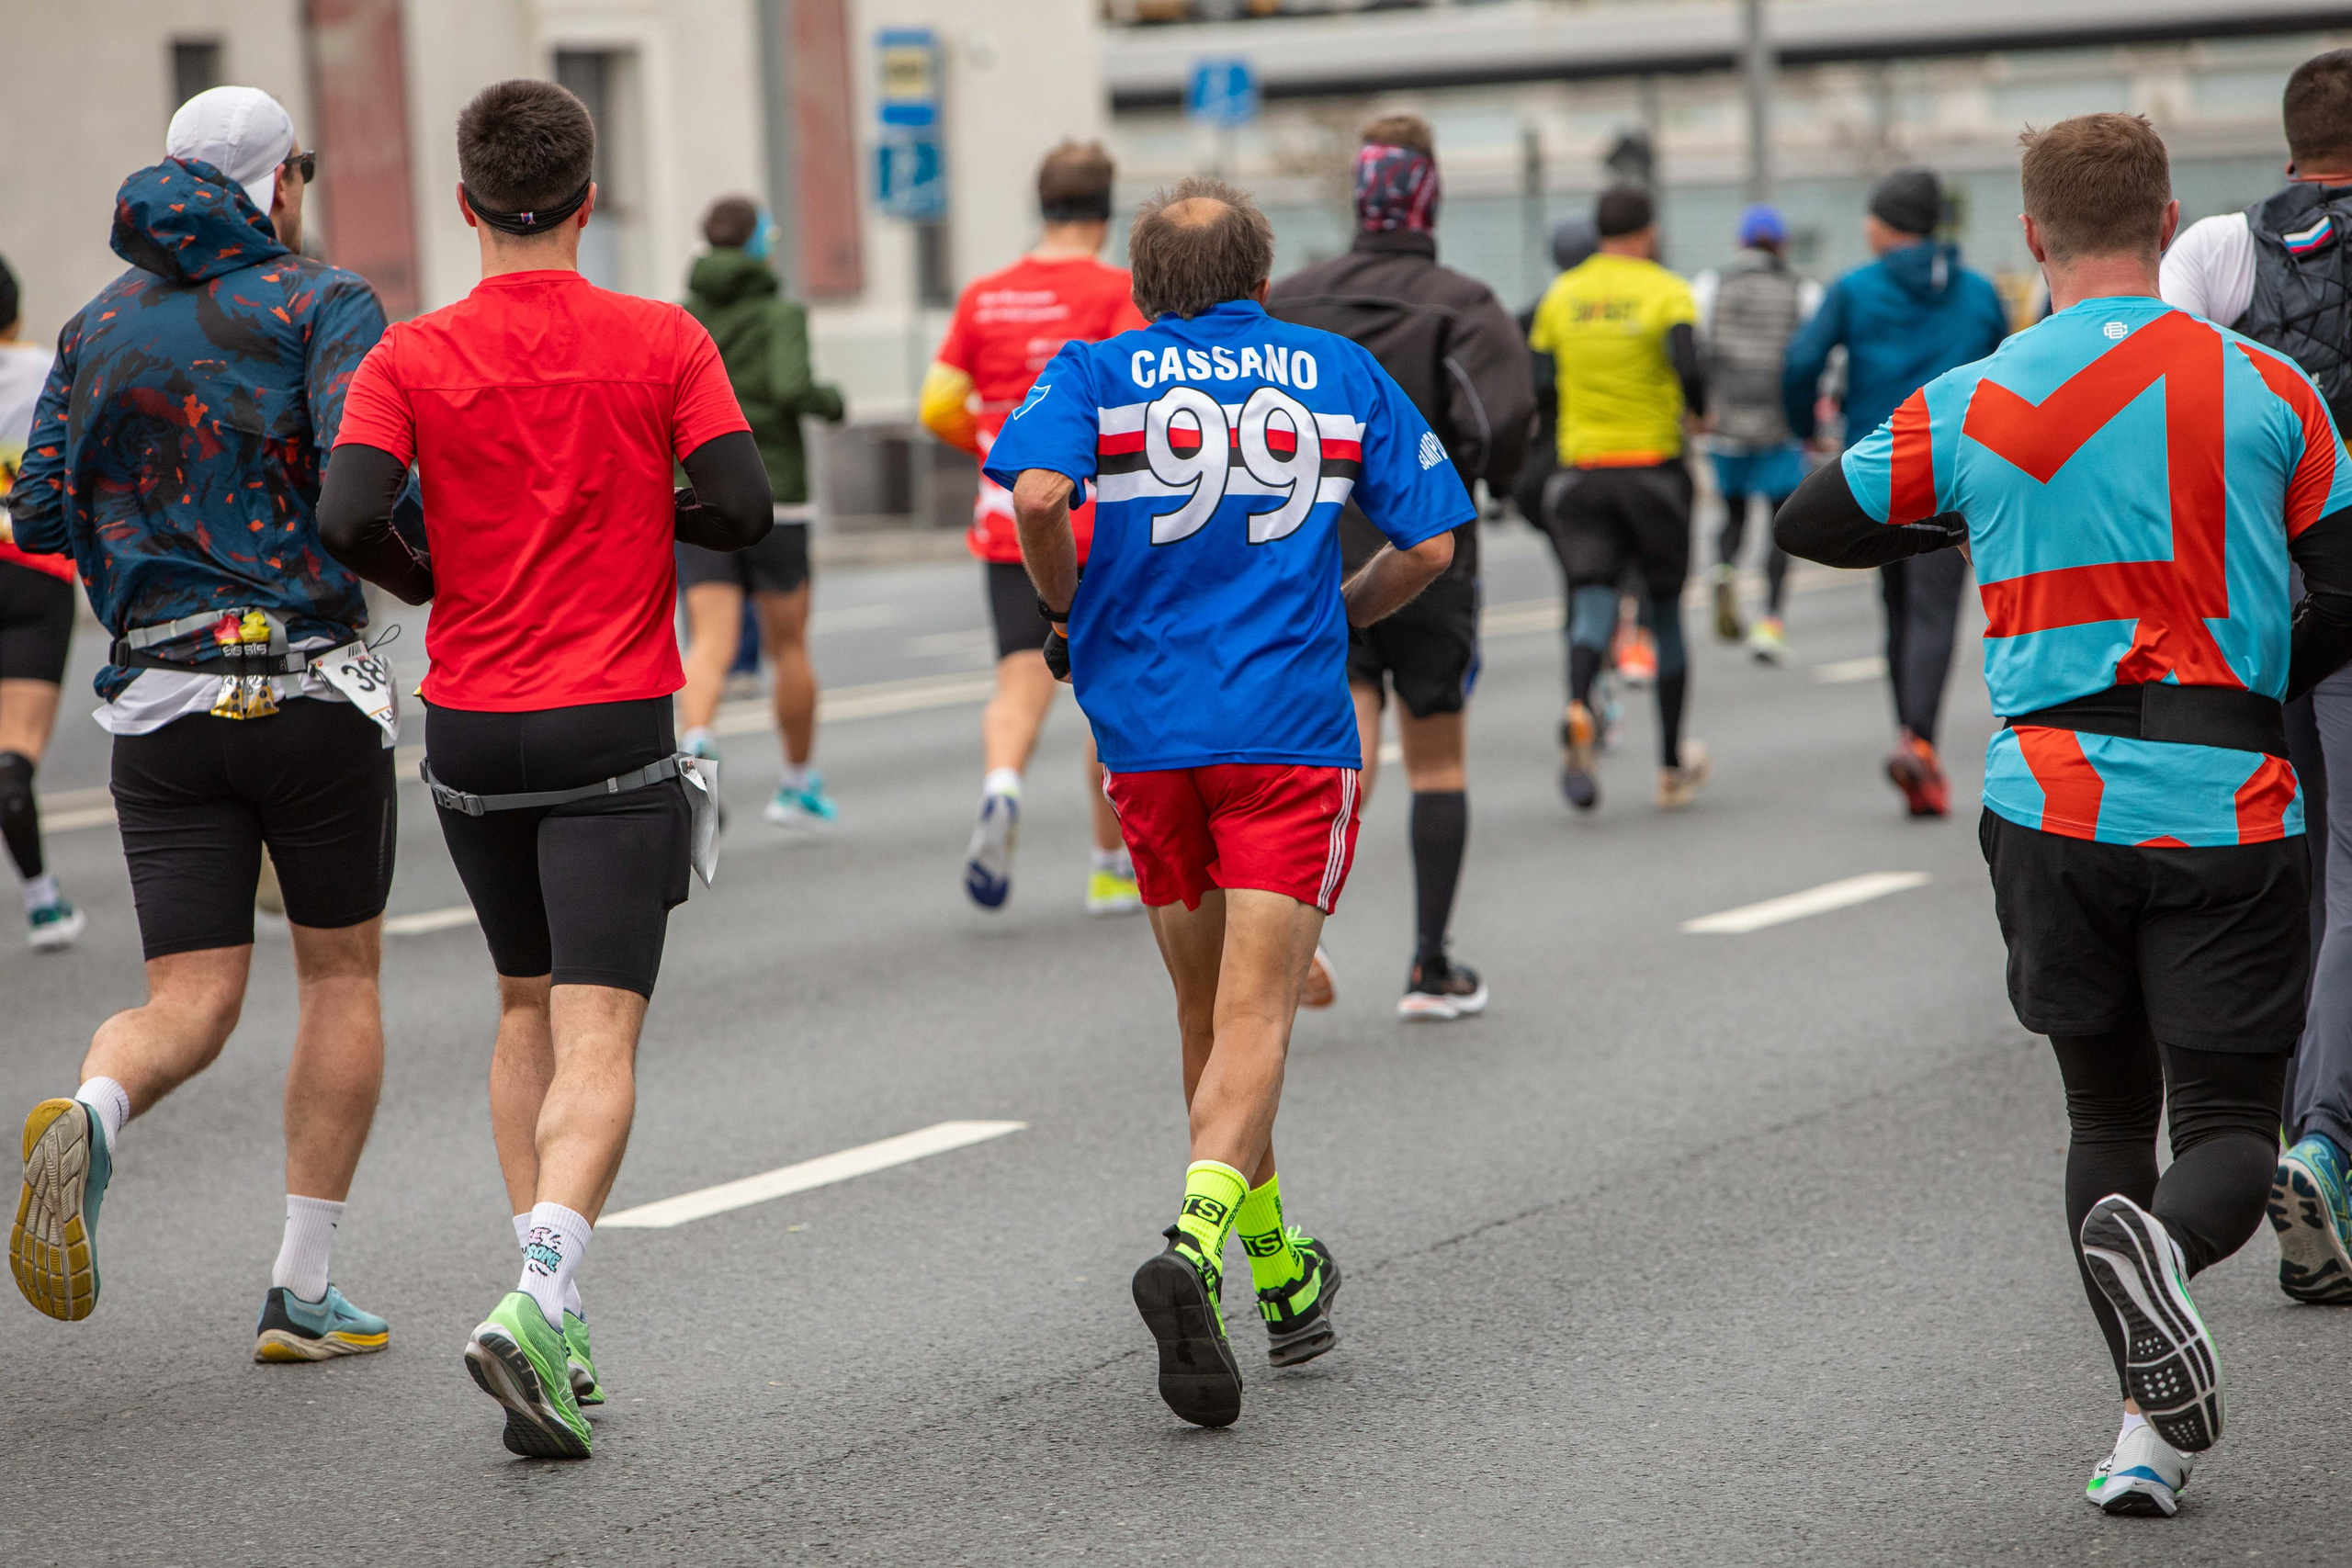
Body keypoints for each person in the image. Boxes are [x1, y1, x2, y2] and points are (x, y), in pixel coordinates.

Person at [1778, 112, 2352, 1518]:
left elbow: (1811, 520)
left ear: (2032, 235)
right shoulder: (2269, 386)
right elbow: (2348, 579)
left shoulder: (1976, 395)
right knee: (2228, 1121)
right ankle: (2159, 1356)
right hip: (2226, 792)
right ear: (2168, 225)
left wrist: (1967, 514)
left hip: (2046, 797)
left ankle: (2147, 1430)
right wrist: (2264, 673)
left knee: (2105, 1111)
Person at [317, 78, 771, 1460]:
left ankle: (555, 1321)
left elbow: (347, 513)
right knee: (600, 1029)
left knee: (523, 1002)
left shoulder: (410, 355)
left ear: (465, 203)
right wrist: (645, 509)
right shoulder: (661, 339)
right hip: (610, 723)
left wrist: (429, 575)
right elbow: (744, 507)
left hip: (471, 726)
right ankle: (541, 1291)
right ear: (588, 197)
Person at [987, 176, 1465, 1427]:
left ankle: (1280, 1267)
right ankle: (1198, 1248)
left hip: (1148, 735)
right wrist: (1345, 609)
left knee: (1206, 1014)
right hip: (1288, 729)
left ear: (1145, 290)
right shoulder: (1337, 371)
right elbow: (1432, 543)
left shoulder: (1096, 371)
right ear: (1262, 281)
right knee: (1261, 1011)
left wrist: (1061, 610)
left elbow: (1034, 496)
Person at [6, 87, 401, 1363]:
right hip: (306, 685)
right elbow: (358, 480)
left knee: (187, 995)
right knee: (338, 974)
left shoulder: (92, 322)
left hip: (157, 701)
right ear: (278, 183)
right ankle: (302, 1285)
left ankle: (95, 1108)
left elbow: (35, 517)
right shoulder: (321, 302)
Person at [2160, 47, 2352, 1310]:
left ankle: (2295, 1136)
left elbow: (2165, 400)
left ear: (2289, 144)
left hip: (2257, 604)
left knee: (2289, 868)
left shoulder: (2220, 249)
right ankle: (2324, 1141)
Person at [1267, 114, 1532, 1020]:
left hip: (1310, 552)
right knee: (1436, 758)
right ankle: (1429, 967)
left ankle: (1299, 922)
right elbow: (1500, 426)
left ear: (1358, 195)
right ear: (1430, 197)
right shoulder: (1464, 304)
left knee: (1343, 745)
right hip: (1426, 551)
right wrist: (1482, 475)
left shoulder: (1291, 300)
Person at [921, 142, 1147, 919]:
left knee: (1019, 681)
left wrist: (990, 446)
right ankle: (1110, 867)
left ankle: (1002, 786)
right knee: (1106, 696)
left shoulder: (984, 296)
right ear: (1105, 213)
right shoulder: (1118, 293)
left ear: (1040, 206)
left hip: (1006, 518)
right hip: (1095, 523)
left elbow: (936, 403)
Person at [1782, 166, 2009, 817]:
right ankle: (1920, 741)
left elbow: (1801, 363)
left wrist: (1805, 430)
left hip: (1876, 472)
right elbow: (2009, 372)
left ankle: (1911, 737)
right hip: (1956, 472)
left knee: (1897, 608)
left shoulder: (1855, 288)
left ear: (1886, 225)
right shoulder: (1978, 292)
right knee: (1934, 610)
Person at [1528, 184, 1711, 813]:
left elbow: (1542, 383)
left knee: (1592, 603)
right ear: (1649, 231)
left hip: (1583, 471)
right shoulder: (1667, 290)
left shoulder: (1561, 296)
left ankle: (1580, 706)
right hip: (1653, 471)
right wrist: (1699, 411)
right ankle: (1670, 766)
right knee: (1666, 613)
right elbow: (1688, 364)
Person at [675, 196, 846, 828]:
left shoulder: (682, 318)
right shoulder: (781, 314)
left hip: (698, 492)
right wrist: (831, 401)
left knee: (710, 639)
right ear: (756, 246)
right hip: (777, 494)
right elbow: (791, 385)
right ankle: (797, 785)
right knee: (788, 646)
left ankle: (697, 743)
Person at [1692, 204, 1819, 664]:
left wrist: (1702, 410)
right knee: (1780, 524)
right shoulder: (1803, 292)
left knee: (1732, 515)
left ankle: (1725, 569)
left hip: (1725, 427)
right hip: (1780, 428)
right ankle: (1770, 621)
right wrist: (1812, 423)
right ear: (1782, 245)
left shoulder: (1710, 287)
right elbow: (1811, 360)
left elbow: (1697, 351)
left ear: (1740, 243)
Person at [0, 252, 84, 949]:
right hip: (33, 567)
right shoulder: (44, 370)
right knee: (14, 753)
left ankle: (43, 896)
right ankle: (43, 905)